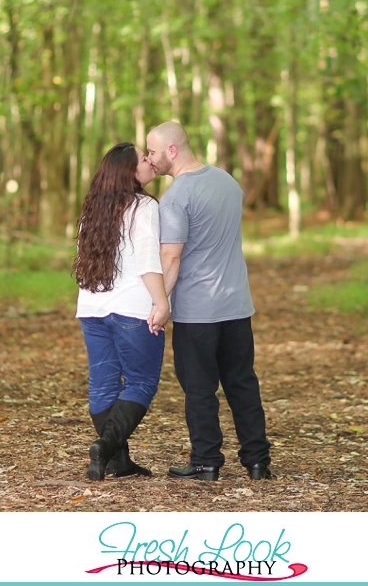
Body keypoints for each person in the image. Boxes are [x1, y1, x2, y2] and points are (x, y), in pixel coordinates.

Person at [145, 121, 273, 481]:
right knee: (241, 382)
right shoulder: (228, 182)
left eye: (153, 152)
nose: (150, 160)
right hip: (236, 303)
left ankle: (205, 461)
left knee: (200, 388)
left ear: (171, 150)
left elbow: (171, 257)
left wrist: (161, 302)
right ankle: (257, 460)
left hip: (197, 311)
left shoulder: (176, 197)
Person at [73, 142, 171, 481]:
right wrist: (161, 302)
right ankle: (106, 447)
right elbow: (147, 262)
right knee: (141, 382)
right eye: (143, 159)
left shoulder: (92, 209)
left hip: (92, 308)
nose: (148, 162)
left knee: (103, 386)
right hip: (132, 309)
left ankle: (117, 462)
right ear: (130, 172)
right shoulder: (143, 206)